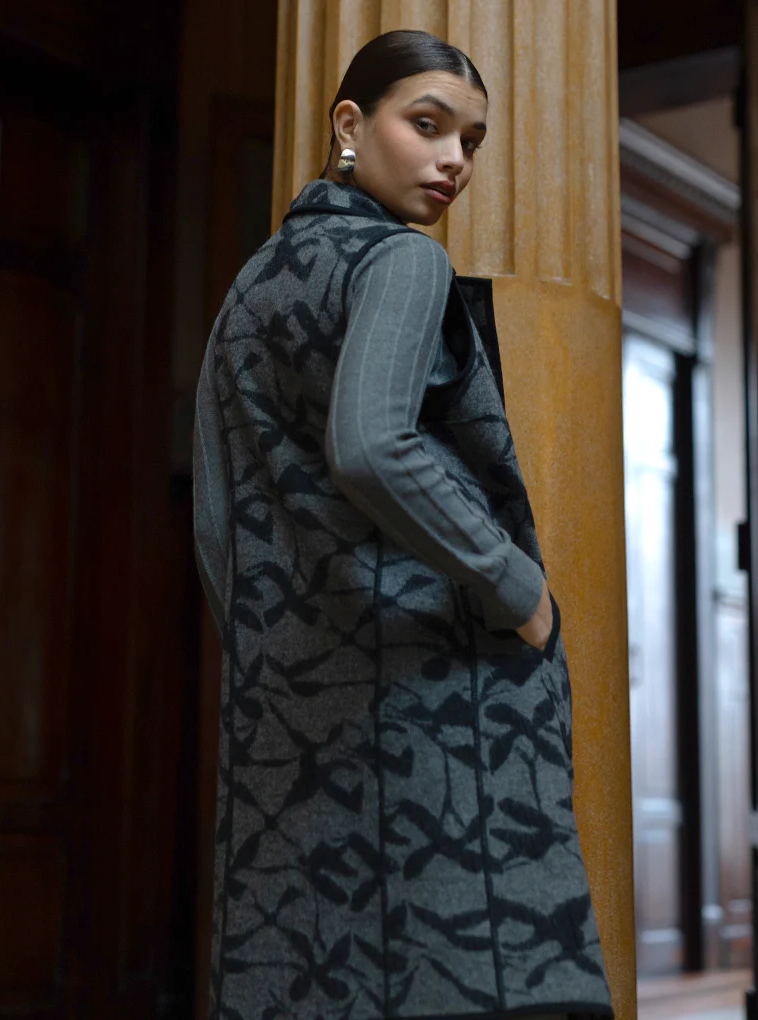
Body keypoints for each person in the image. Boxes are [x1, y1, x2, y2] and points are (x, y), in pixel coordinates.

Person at [193, 28, 614, 1020]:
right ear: (349, 123)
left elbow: (217, 516)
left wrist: (269, 648)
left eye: (469, 140)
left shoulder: (250, 287)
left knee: (312, 980)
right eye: (427, 125)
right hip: (430, 699)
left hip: (289, 711)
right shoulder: (401, 263)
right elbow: (373, 445)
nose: (453, 161)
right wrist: (516, 586)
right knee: (470, 977)